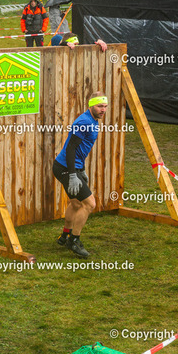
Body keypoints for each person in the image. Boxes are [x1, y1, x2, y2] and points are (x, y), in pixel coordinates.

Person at [53, 92, 108, 258]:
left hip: (69, 167)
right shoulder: (84, 122)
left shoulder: (93, 120)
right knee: (89, 204)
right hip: (65, 167)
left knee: (76, 204)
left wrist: (81, 170)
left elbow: (81, 150)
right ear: (91, 105)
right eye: (100, 106)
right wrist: (72, 175)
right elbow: (71, 148)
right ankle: (74, 241)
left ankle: (65, 235)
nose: (103, 110)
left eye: (105, 106)